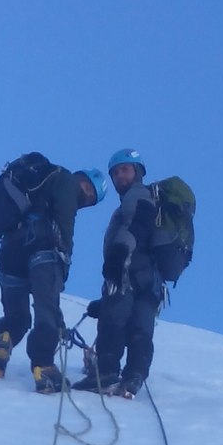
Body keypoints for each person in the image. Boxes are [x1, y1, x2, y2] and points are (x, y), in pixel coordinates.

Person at [0, 164, 103, 393]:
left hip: (10, 248)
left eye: (91, 197)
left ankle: (2, 343)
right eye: (87, 188)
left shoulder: (43, 184)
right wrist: (64, 258)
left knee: (17, 316)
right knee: (47, 312)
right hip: (42, 249)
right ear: (80, 179)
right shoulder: (66, 181)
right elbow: (65, 220)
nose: (86, 194)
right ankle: (43, 366)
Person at [77, 148, 161, 399]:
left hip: (127, 270)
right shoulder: (150, 197)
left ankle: (105, 374)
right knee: (140, 328)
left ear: (138, 172)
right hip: (152, 280)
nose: (119, 177)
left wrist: (118, 257)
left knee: (113, 322)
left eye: (124, 170)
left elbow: (134, 225)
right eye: (115, 173)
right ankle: (134, 376)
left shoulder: (136, 196)